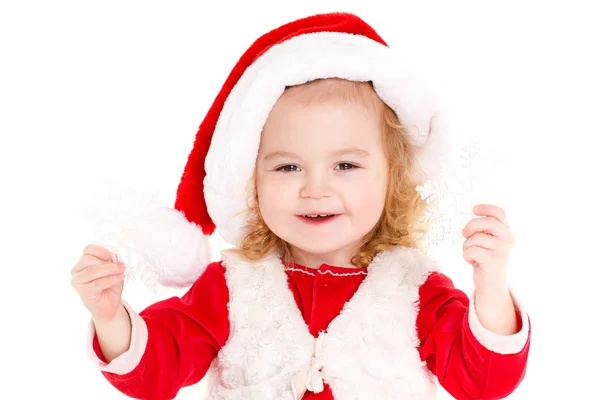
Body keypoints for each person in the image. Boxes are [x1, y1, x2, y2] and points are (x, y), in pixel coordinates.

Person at [71, 12, 530, 400]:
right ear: (251, 181)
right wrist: (111, 319)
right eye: (288, 168)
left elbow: (484, 381)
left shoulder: (417, 289)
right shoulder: (229, 289)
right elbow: (157, 368)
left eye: (346, 165)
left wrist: (490, 289)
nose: (315, 189)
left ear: (393, 177)